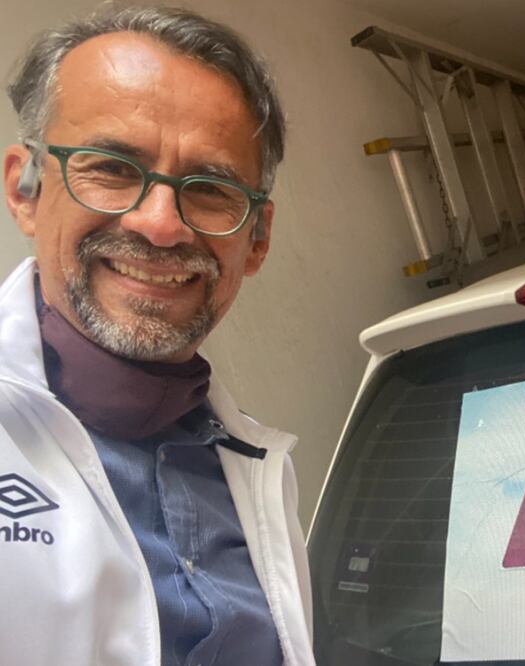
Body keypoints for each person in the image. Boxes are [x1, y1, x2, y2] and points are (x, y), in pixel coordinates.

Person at [0, 6, 313, 665]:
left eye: (210, 190)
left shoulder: (259, 468)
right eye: (112, 168)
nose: (161, 223)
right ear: (25, 191)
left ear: (257, 241)